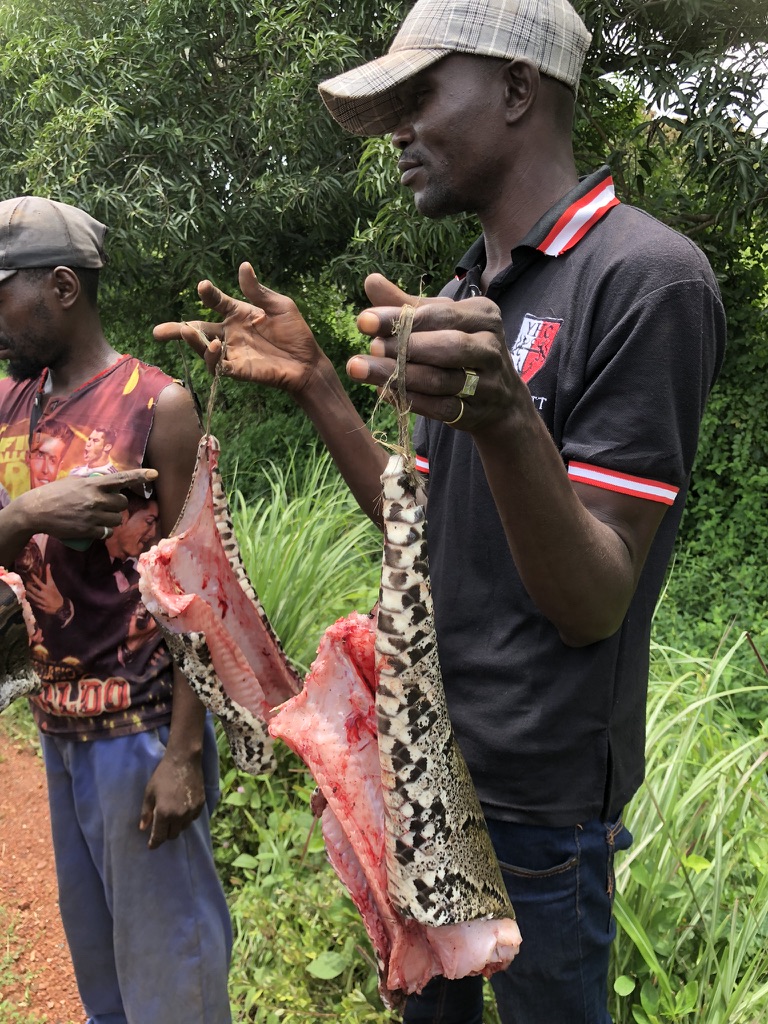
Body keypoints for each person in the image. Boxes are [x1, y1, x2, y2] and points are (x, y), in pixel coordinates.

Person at [155, 0, 726, 1020]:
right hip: (425, 762)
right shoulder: (470, 287)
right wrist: (321, 386)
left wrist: (507, 416)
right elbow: (418, 522)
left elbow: (594, 600)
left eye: (420, 97)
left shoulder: (644, 278)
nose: (397, 134)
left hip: (539, 808)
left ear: (516, 88)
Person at [0, 195, 232, 1024]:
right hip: (57, 731)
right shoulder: (9, 403)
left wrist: (182, 752)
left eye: (1, 292)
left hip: (138, 737)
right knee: (103, 981)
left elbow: (201, 590)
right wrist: (29, 516)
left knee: (174, 984)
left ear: (62, 286)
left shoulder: (155, 406)